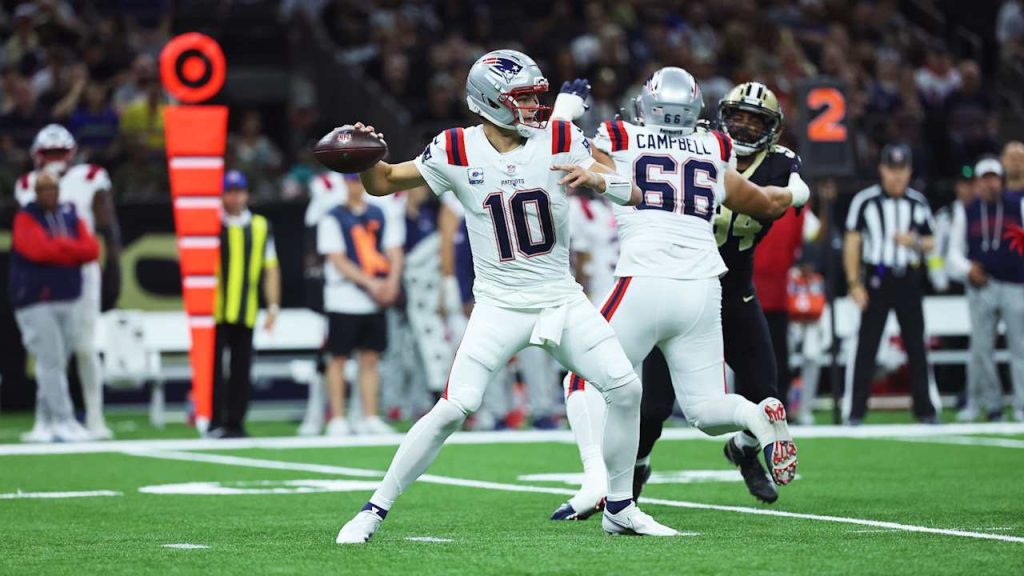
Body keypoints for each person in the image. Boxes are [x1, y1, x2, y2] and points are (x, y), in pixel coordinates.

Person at [337, 49, 678, 544]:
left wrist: (599, 179)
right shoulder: (456, 147)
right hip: (499, 305)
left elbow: (636, 192)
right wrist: (367, 159)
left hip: (560, 298)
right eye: (524, 98)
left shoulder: (560, 137)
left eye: (538, 97)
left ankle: (620, 507)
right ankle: (373, 509)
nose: (536, 107)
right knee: (453, 408)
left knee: (625, 388)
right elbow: (384, 183)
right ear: (490, 101)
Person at [554, 71, 808, 520]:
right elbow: (767, 204)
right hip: (704, 288)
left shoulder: (621, 135)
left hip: (645, 279)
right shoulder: (714, 147)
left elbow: (561, 154)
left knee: (583, 378)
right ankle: (755, 417)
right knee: (705, 409)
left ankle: (597, 484)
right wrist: (793, 192)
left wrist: (563, 113)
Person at [14, 123, 121, 440]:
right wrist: (69, 249)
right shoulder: (27, 185)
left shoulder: (90, 178)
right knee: (50, 352)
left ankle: (94, 417)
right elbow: (35, 242)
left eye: (59, 152)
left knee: (85, 347)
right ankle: (47, 420)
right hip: (46, 277)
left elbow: (103, 231)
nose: (54, 160)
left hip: (82, 275)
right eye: (49, 153)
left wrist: (114, 264)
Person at [843, 144, 940, 425]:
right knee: (867, 345)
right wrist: (854, 283)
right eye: (891, 169)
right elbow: (852, 242)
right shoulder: (865, 201)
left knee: (916, 345)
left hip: (908, 278)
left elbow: (931, 242)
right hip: (877, 278)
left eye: (902, 169)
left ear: (909, 171)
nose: (896, 176)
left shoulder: (918, 202)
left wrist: (914, 242)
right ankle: (856, 411)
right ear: (881, 170)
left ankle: (925, 410)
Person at [11, 172, 99, 443]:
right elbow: (38, 250)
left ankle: (44, 422)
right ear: (36, 192)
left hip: (68, 296)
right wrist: (71, 249)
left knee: (57, 363)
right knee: (50, 361)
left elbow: (91, 250)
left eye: (53, 189)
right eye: (45, 189)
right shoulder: (26, 217)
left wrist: (59, 245)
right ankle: (64, 420)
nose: (50, 193)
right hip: (37, 301)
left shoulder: (70, 214)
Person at [317, 173, 404, 436]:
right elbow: (337, 259)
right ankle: (338, 418)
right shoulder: (333, 216)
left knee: (370, 357)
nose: (355, 186)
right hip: (344, 297)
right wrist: (371, 284)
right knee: (338, 358)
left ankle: (369, 416)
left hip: (375, 298)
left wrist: (392, 282)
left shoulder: (379, 212)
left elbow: (394, 250)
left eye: (358, 181)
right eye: (351, 181)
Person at [208, 170, 281, 439]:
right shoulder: (211, 225)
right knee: (213, 369)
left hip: (246, 309)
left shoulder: (260, 226)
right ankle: (213, 421)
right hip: (214, 311)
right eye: (229, 192)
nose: (234, 198)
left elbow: (270, 268)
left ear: (246, 194)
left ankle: (236, 422)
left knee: (241, 368)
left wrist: (273, 307)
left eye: (238, 192)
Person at [957, 156, 1024, 422]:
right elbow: (954, 252)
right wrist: (967, 269)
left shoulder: (1018, 205)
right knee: (981, 348)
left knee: (1020, 347)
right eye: (985, 179)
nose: (990, 184)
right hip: (982, 285)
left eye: (994, 178)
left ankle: (1022, 405)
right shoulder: (967, 210)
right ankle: (990, 404)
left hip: (1015, 284)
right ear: (977, 182)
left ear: (1001, 181)